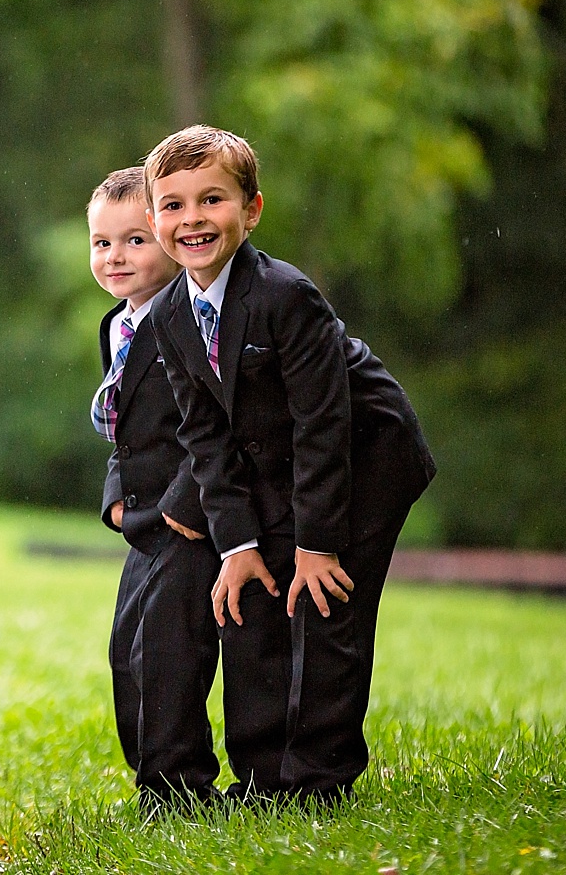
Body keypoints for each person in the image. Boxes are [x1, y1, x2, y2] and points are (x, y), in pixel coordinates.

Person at [143, 125, 436, 805]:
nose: (193, 219)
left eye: (212, 200)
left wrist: (315, 545)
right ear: (154, 217)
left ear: (251, 210)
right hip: (276, 463)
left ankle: (317, 782)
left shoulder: (284, 295)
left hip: (364, 455)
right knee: (254, 601)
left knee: (324, 605)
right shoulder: (170, 318)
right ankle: (264, 777)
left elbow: (324, 425)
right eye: (175, 205)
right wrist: (240, 543)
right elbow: (205, 435)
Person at [87, 167, 221, 809]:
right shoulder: (118, 323)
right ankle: (151, 779)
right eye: (101, 243)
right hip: (142, 518)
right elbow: (126, 423)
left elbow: (220, 423)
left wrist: (184, 508)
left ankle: (181, 790)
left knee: (169, 655)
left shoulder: (189, 321)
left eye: (134, 240)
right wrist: (117, 493)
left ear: (169, 238)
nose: (115, 257)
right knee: (128, 653)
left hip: (190, 518)